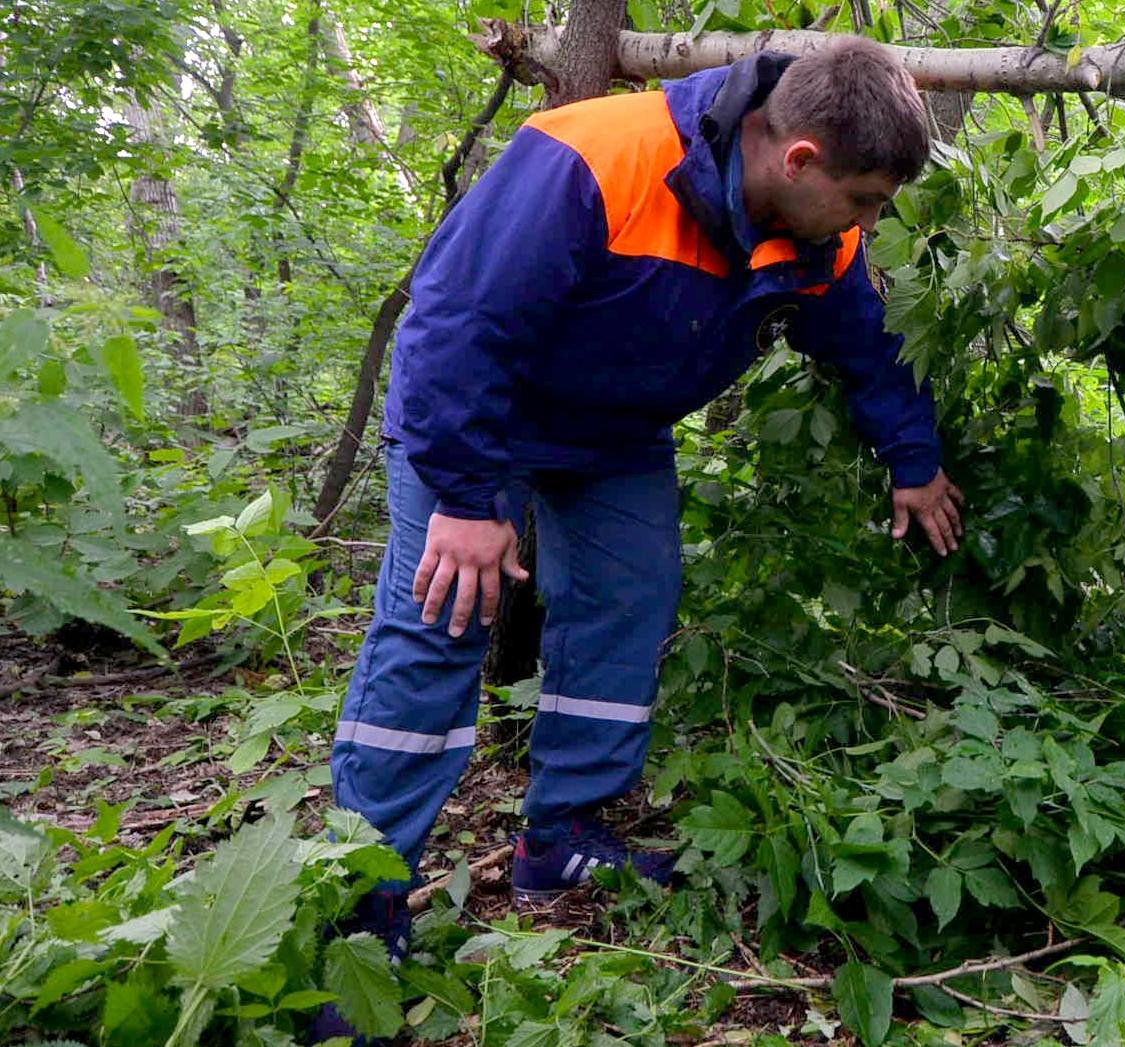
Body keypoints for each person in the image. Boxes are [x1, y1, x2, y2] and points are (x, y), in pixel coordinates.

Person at [326, 38, 964, 958]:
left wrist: (913, 458)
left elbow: (862, 342)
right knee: (439, 624)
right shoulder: (594, 156)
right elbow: (457, 322)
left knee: (630, 599)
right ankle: (359, 901)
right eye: (863, 198)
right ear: (799, 158)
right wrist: (466, 500)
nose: (866, 220)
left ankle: (563, 840)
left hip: (615, 437)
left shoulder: (820, 230)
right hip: (478, 424)